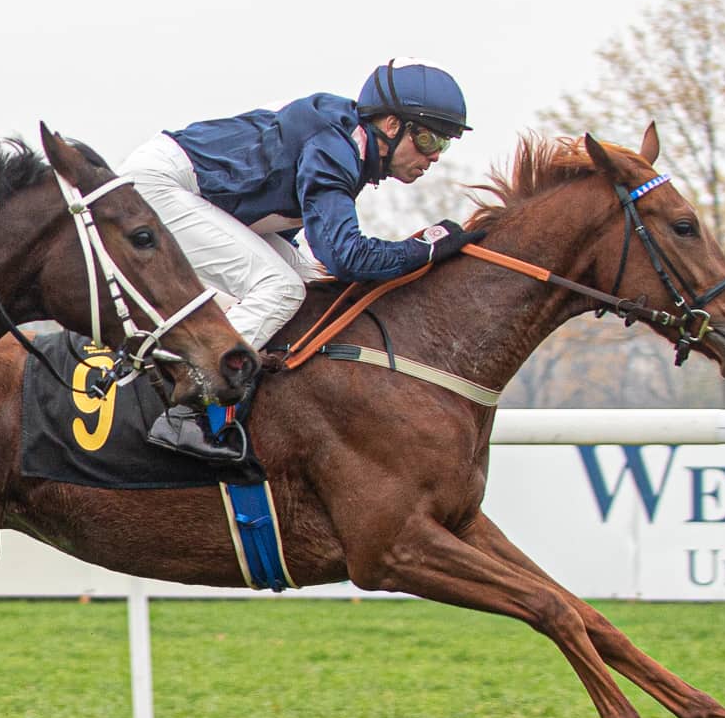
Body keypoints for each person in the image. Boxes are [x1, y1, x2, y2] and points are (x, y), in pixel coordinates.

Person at [120, 58, 481, 462]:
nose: (435, 157)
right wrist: (425, 249)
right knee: (280, 288)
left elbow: (318, 252)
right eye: (431, 140)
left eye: (444, 146)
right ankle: (190, 406)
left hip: (198, 193)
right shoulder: (335, 146)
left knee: (310, 284)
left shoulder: (352, 144)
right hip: (159, 187)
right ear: (393, 126)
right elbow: (347, 256)